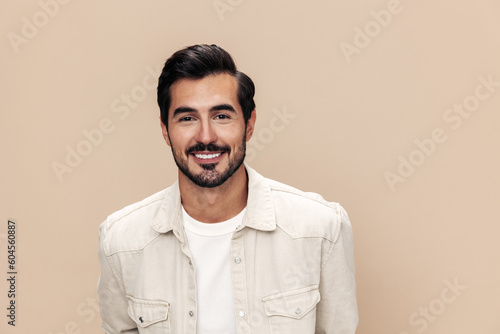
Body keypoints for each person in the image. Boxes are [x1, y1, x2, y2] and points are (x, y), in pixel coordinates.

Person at [97, 44, 358, 334]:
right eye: (187, 118)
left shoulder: (321, 229)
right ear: (164, 130)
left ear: (249, 124)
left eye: (221, 116)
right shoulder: (121, 241)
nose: (206, 136)